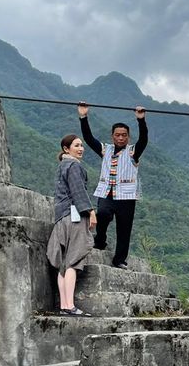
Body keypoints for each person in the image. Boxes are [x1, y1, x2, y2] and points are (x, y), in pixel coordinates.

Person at [78, 102, 149, 268]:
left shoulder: (133, 152)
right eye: (117, 135)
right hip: (106, 193)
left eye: (124, 135)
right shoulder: (106, 150)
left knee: (124, 229)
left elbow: (144, 139)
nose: (121, 138)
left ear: (128, 137)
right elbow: (88, 138)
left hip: (126, 196)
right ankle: (100, 240)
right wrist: (83, 116)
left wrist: (141, 120)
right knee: (102, 214)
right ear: (112, 136)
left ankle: (119, 260)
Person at [46, 134, 97, 315]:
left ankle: (64, 306)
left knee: (63, 263)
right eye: (76, 145)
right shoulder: (74, 165)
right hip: (74, 216)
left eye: (81, 145)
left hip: (61, 216)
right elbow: (78, 191)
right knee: (73, 261)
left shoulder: (62, 165)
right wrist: (90, 212)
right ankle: (70, 305)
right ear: (67, 149)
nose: (81, 148)